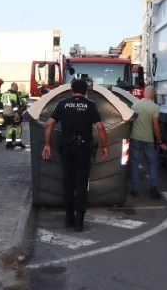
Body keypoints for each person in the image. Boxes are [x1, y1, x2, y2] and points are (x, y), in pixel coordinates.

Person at [42, 79, 108, 231]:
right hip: (83, 149)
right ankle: (79, 221)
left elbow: (49, 124)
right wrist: (104, 146)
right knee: (81, 183)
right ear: (85, 91)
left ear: (71, 90)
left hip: (66, 149)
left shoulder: (63, 104)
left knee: (68, 182)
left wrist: (47, 145)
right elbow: (101, 127)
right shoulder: (90, 105)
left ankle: (68, 218)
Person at [128, 86, 167, 199]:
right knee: (152, 163)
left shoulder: (135, 105)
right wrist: (160, 142)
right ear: (153, 95)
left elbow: (131, 121)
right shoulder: (155, 107)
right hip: (148, 140)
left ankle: (135, 190)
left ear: (145, 93)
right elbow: (156, 126)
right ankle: (153, 187)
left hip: (135, 138)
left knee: (134, 163)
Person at [1, 83, 27, 150]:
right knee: (18, 126)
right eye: (17, 87)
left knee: (9, 127)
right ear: (14, 87)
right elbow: (13, 103)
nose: (17, 89)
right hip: (12, 113)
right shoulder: (14, 94)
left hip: (5, 114)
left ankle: (9, 143)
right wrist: (16, 112)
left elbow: (1, 104)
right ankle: (18, 142)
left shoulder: (4, 94)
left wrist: (0, 113)